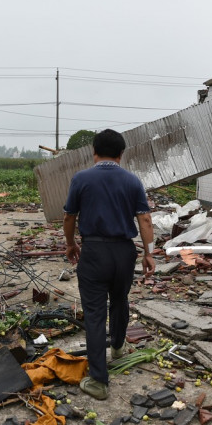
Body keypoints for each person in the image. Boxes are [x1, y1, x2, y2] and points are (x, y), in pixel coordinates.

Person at [63, 129, 156, 400]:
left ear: (94, 151)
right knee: (119, 300)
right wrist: (149, 253)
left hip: (93, 252)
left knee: (94, 313)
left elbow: (69, 217)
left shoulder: (81, 179)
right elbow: (145, 220)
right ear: (121, 154)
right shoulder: (132, 181)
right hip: (123, 252)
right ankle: (117, 347)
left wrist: (70, 244)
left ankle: (99, 382)